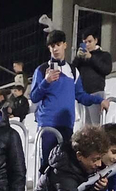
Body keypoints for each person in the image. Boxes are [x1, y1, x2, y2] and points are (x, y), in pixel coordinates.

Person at [30, 31, 104, 163]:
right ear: (49, 48)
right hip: (47, 125)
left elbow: (81, 96)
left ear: (65, 45)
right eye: (52, 46)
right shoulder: (41, 70)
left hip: (67, 124)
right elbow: (34, 97)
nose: (56, 48)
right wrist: (46, 81)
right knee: (47, 164)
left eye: (58, 44)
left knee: (65, 163)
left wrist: (100, 100)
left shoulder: (73, 70)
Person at [73, 32, 114, 125]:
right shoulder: (81, 59)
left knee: (96, 125)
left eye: (89, 41)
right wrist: (77, 58)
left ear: (96, 40)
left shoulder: (104, 55)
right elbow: (72, 71)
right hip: (83, 95)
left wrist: (91, 57)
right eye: (85, 42)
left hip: (96, 92)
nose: (87, 45)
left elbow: (106, 69)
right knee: (85, 126)